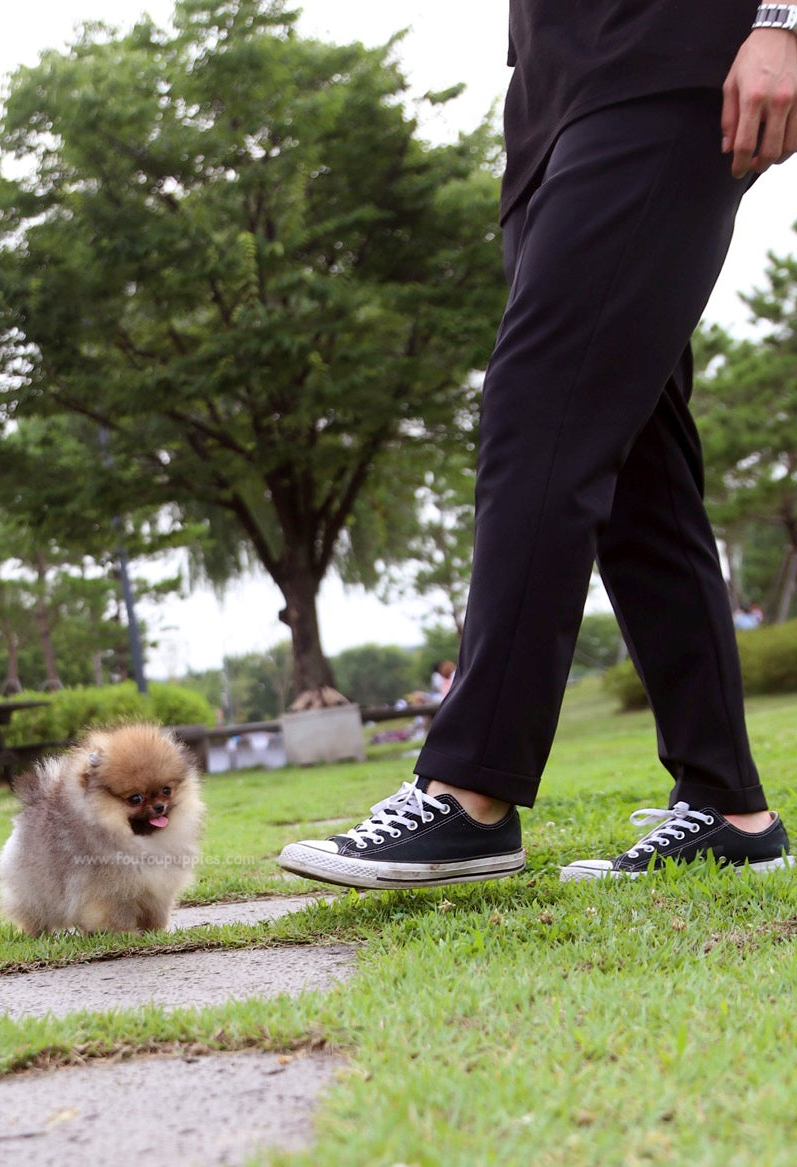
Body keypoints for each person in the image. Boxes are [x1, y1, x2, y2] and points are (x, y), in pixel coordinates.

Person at [281, 2, 797, 890]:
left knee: (539, 411)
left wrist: (782, 20)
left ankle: (471, 789)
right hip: (551, 98)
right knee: (638, 464)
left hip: (671, 57)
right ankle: (727, 805)